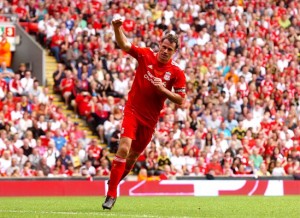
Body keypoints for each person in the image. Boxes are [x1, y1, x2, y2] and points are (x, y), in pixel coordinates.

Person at [102, 16, 186, 210]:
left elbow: (181, 100)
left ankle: (113, 181)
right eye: (163, 47)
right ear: (159, 44)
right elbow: (124, 44)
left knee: (131, 158)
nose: (165, 51)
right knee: (123, 148)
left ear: (175, 52)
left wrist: (163, 90)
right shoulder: (145, 55)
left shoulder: (176, 72)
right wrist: (117, 27)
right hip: (133, 110)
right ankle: (111, 194)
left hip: (150, 119)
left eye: (169, 50)